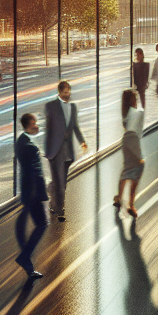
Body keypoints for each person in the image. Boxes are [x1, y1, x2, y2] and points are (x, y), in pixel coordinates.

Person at [44, 80, 87, 222]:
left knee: (61, 181)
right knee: (60, 182)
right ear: (59, 93)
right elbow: (48, 131)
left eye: (69, 92)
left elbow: (75, 126)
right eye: (65, 93)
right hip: (56, 151)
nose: (68, 95)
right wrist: (48, 151)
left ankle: (51, 193)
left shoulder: (73, 108)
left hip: (68, 151)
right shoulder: (51, 107)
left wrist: (82, 142)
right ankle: (60, 209)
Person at [14, 112, 48, 279]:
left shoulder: (21, 141)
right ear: (27, 126)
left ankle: (27, 262)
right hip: (34, 193)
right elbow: (36, 173)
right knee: (42, 224)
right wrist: (40, 194)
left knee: (24, 225)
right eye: (34, 124)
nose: (37, 126)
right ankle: (24, 257)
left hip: (27, 191)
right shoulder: (31, 147)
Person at [115, 89, 145, 217]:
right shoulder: (136, 112)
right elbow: (142, 113)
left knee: (126, 169)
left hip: (126, 140)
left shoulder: (126, 113)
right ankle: (131, 205)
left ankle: (119, 198)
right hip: (132, 140)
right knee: (139, 168)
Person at [132, 47, 150, 112]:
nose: (137, 56)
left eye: (138, 54)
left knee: (142, 98)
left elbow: (146, 76)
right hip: (137, 84)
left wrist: (146, 83)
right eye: (136, 55)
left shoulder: (145, 65)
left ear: (141, 55)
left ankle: (142, 110)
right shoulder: (135, 65)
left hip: (142, 84)